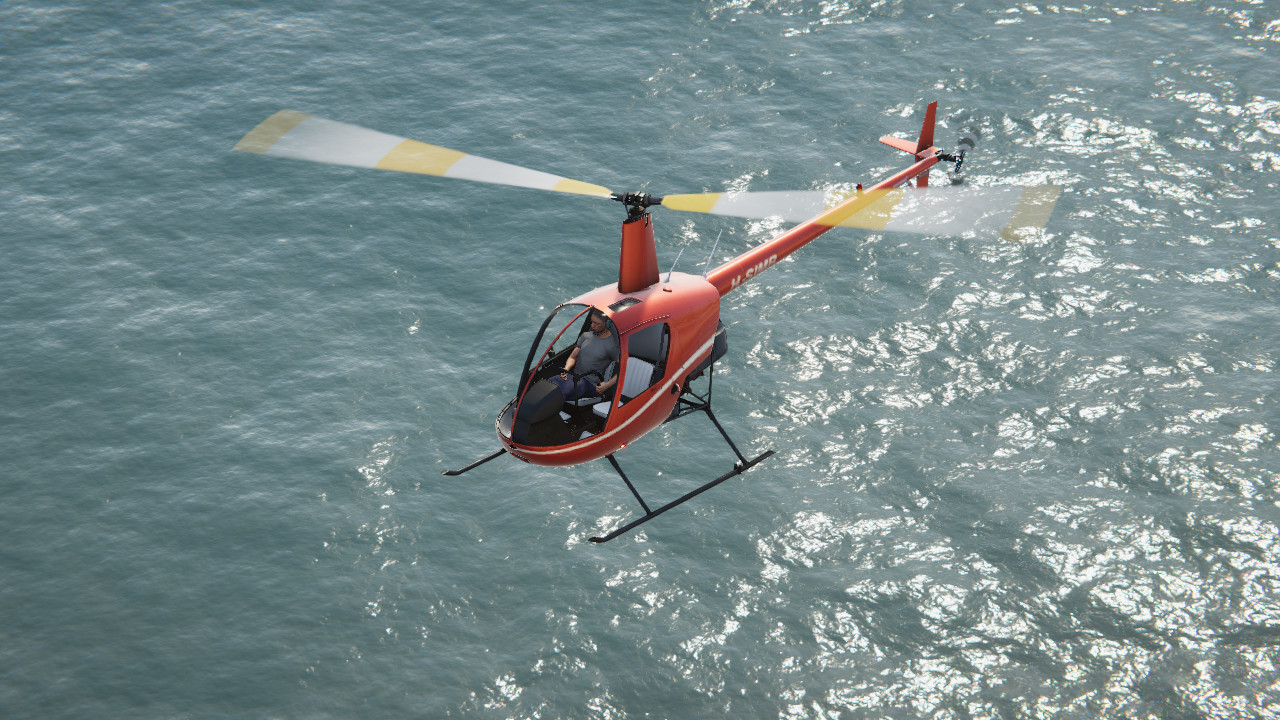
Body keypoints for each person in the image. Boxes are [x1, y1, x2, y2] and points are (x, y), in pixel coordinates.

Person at [556, 310, 619, 400]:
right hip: (574, 377)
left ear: (607, 323)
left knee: (561, 392)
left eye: (596, 323)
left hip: (590, 384)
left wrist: (607, 385)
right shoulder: (585, 336)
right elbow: (573, 357)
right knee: (551, 382)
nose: (592, 326)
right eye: (592, 322)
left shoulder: (611, 346)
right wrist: (566, 369)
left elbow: (624, 368)